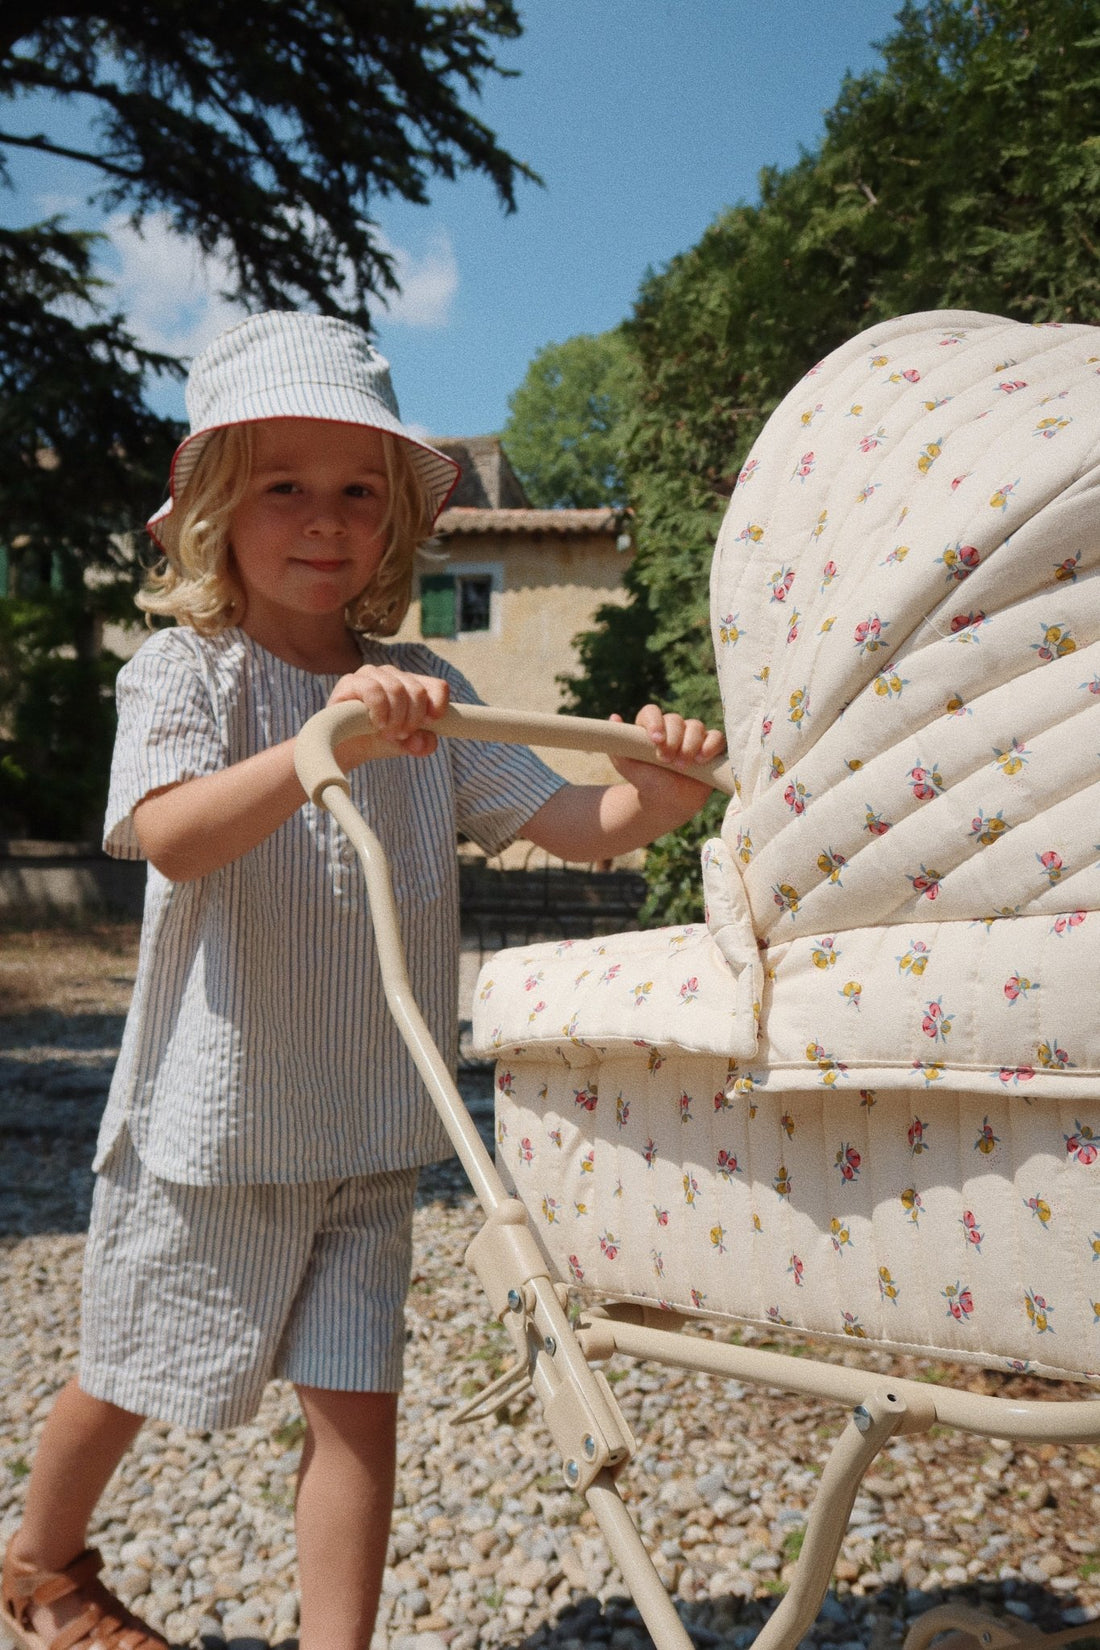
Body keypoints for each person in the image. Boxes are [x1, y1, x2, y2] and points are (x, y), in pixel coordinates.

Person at [0, 311, 726, 1650]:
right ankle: (41, 1562)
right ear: (215, 509)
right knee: (133, 1363)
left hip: (372, 1130)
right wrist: (323, 743)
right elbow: (168, 831)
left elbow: (575, 822)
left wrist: (659, 787)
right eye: (285, 487)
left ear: (393, 525)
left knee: (357, 1407)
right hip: (211, 1126)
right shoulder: (186, 670)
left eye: (354, 494)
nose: (322, 522)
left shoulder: (429, 692)